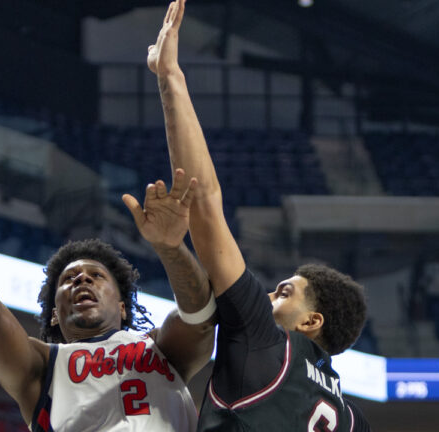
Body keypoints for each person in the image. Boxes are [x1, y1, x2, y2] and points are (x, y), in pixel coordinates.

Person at [0, 121, 215, 431]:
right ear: (55, 314)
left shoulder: (162, 348)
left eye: (96, 276)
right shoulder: (42, 366)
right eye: (69, 279)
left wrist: (171, 248)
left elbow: (200, 316)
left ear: (123, 308)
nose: (82, 281)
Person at [147, 1, 371, 430]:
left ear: (310, 321)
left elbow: (206, 201)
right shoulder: (351, 418)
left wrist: (170, 78)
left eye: (283, 292)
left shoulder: (266, 341)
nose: (266, 296)